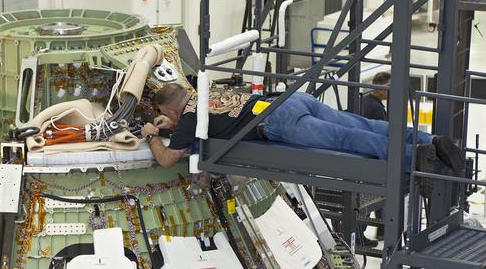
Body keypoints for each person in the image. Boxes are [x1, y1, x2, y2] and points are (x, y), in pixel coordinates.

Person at [142, 79, 464, 176]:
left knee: (347, 139)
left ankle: (414, 157)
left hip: (279, 123)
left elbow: (168, 159)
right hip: (291, 101)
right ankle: (432, 140)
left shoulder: (186, 121)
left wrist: (154, 136)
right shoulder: (204, 91)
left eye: (167, 116)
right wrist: (169, 124)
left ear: (173, 110)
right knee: (363, 123)